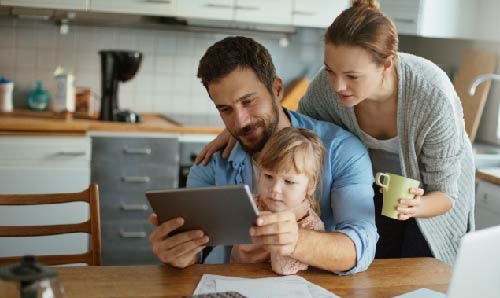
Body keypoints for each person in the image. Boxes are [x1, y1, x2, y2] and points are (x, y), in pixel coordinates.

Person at [196, 1, 475, 265]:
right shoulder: (326, 88)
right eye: (330, 71)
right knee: (377, 267)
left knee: (424, 272)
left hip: (431, 195)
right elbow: (297, 129)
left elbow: (446, 194)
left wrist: (413, 206)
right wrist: (239, 130)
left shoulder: (431, 95)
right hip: (378, 188)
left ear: (387, 65)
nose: (338, 86)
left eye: (352, 76)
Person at [149, 36, 378, 274]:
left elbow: (361, 245)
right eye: (225, 110)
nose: (240, 122)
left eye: (248, 101)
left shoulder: (341, 150)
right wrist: (179, 253)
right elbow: (197, 253)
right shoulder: (212, 163)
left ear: (277, 89)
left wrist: (296, 241)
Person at [231, 127, 326, 275]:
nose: (275, 189)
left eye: (288, 181)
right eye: (268, 176)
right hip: (240, 279)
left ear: (311, 186)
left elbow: (283, 269)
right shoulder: (251, 205)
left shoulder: (310, 226)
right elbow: (233, 253)